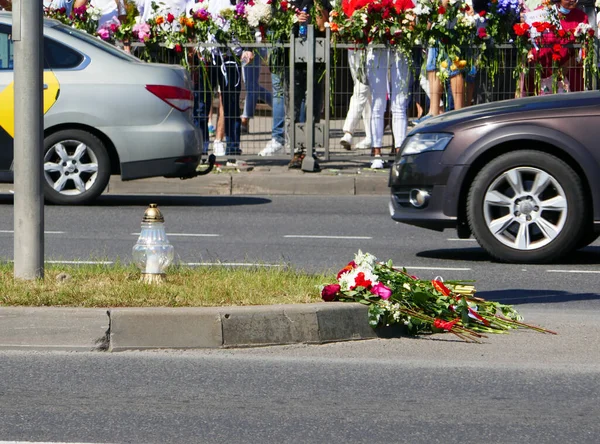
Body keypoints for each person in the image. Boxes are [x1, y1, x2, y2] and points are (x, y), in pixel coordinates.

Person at [259, 0, 330, 165]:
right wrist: (294, 19)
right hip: (292, 60)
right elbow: (277, 24)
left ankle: (310, 150)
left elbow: (323, 26)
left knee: (313, 105)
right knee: (294, 107)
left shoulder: (319, 1)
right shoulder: (287, 2)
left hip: (316, 58)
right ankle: (296, 151)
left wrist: (316, 15)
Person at [366, 0, 415, 168]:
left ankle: (400, 153)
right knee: (378, 103)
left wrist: (408, 23)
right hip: (376, 47)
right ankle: (376, 152)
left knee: (399, 103)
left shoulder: (404, 1)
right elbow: (360, 16)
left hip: (400, 49)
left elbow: (413, 21)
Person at [528, 0, 589, 94]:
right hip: (543, 69)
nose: (573, 0)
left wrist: (566, 67)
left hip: (569, 71)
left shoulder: (581, 16)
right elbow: (530, 39)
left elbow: (584, 46)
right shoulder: (541, 13)